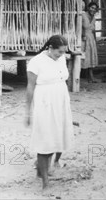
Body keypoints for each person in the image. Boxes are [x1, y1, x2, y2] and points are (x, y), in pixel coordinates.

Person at [26, 35, 73, 189]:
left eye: (63, 52)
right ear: (50, 48)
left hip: (61, 99)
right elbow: (30, 87)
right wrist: (28, 111)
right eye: (59, 52)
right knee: (45, 139)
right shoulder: (36, 62)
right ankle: (45, 182)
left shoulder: (61, 58)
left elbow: (62, 79)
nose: (61, 55)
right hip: (45, 102)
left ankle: (42, 170)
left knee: (57, 135)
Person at [81, 2, 99, 83]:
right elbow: (79, 27)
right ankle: (79, 76)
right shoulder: (83, 15)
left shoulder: (94, 18)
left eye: (95, 9)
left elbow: (93, 30)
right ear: (88, 7)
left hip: (91, 38)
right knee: (83, 56)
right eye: (92, 8)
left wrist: (95, 40)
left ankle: (91, 77)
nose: (93, 10)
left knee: (91, 56)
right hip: (83, 38)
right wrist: (82, 35)